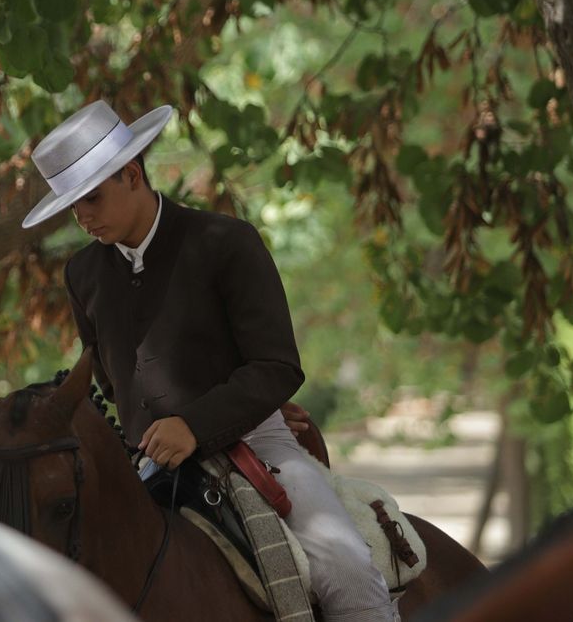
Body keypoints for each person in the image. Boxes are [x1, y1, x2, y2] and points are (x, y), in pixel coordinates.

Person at [22, 100, 397, 622]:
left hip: (257, 446)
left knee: (347, 568)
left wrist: (196, 424)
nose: (82, 217)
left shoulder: (225, 242)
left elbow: (278, 367)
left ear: (132, 174)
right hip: (147, 461)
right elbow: (111, 383)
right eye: (72, 207)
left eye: (91, 199)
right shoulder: (82, 274)